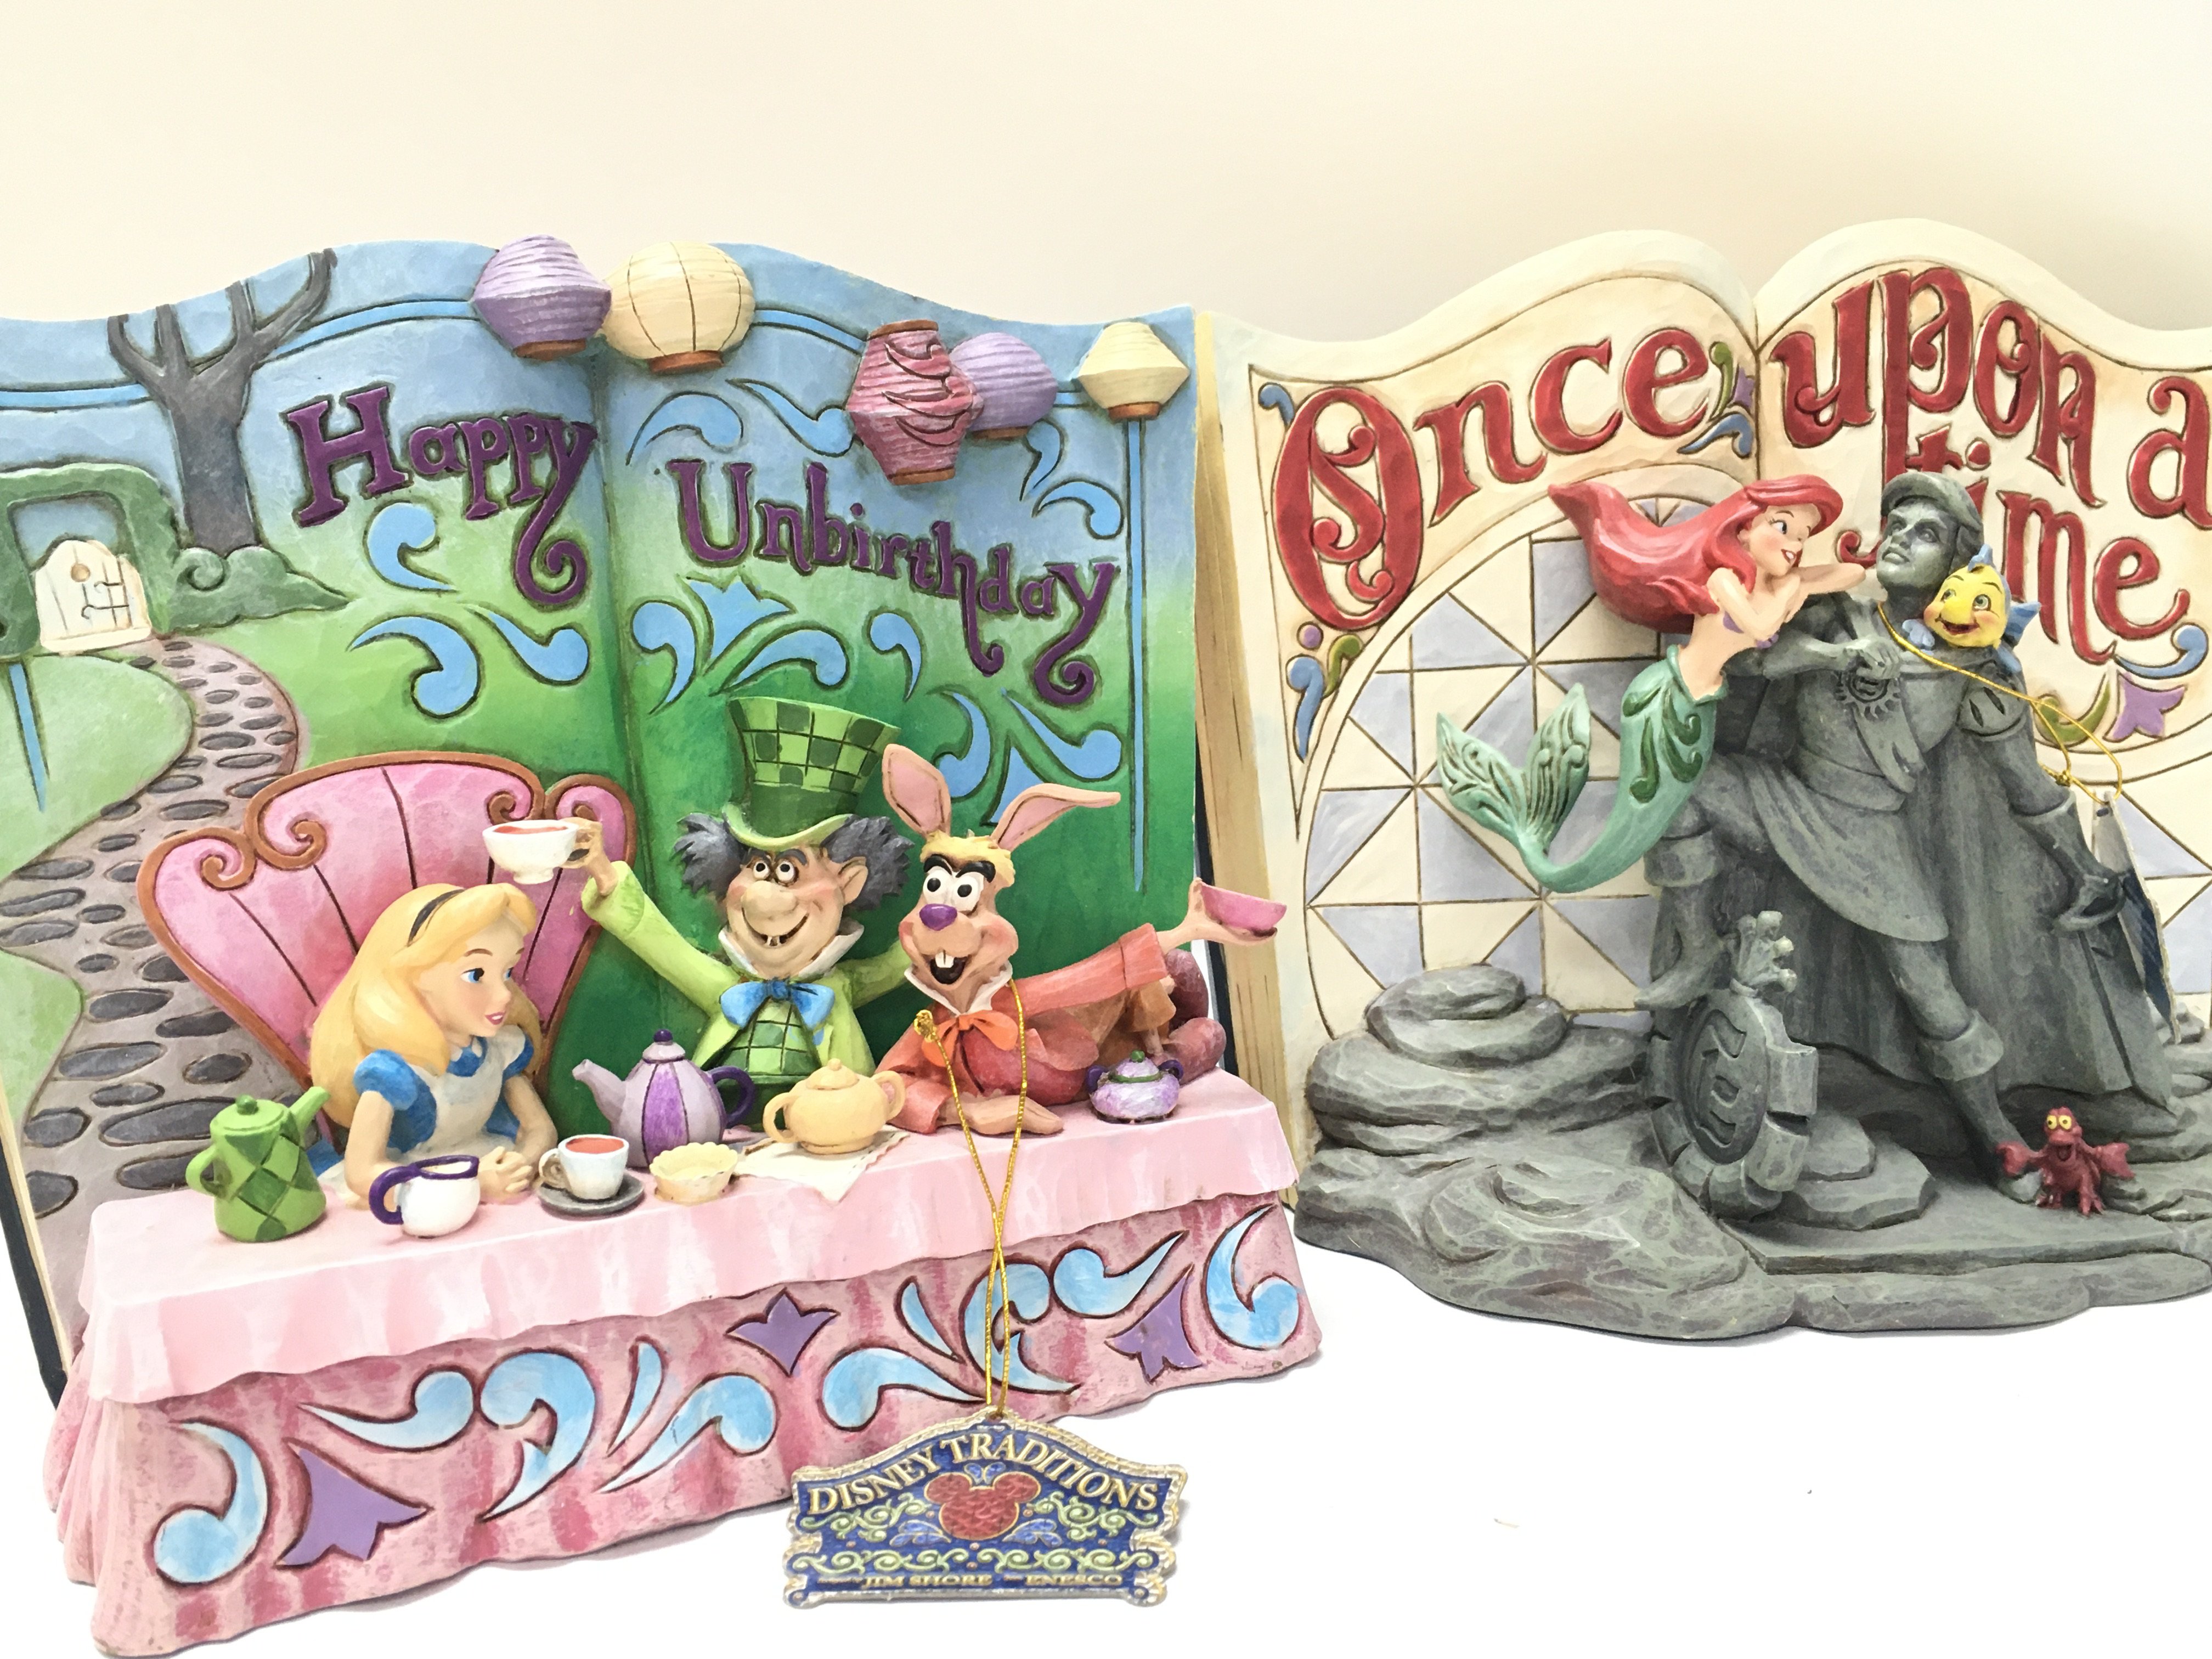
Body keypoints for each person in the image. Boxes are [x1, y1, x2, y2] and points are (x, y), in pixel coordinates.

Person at [1641, 472, 2171, 1194]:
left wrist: (2081, 868)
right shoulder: (1832, 616)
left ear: (1956, 563)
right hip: (1789, 799)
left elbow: (2026, 785)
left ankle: (1996, 1142)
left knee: (1934, 998)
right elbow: (1760, 659)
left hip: (1873, 839)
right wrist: (1835, 657)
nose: (1898, 540)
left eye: (1924, 535)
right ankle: (1697, 955)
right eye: (1895, 526)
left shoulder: (1975, 668)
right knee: (1684, 794)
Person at [1436, 476, 1860, 892]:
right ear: (1744, 529)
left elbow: (1852, 574)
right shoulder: (1725, 581)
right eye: (1782, 526)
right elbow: (1760, 626)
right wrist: (1792, 589)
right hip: (1667, 697)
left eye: (1803, 536)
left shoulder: (1776, 585)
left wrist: (1797, 583)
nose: (1794, 545)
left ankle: (1541, 843)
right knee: (1638, 820)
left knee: (1652, 818)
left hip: (1700, 703)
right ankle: (1540, 852)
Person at [571, 696, 913, 1107]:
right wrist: (602, 870)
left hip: (830, 1117)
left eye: (789, 870)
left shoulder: (842, 985)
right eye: (759, 867)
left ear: (849, 882)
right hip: (729, 1117)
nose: (766, 897)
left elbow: (902, 961)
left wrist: (946, 903)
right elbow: (660, 944)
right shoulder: (727, 988)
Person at [309, 882, 557, 1206]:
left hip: (489, 1160)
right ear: (416, 976)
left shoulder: (500, 1049)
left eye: (507, 972)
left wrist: (521, 1163)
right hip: (419, 1184)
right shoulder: (397, 1071)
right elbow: (362, 1172)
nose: (503, 995)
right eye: (475, 975)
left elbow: (540, 1129)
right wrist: (471, 1186)